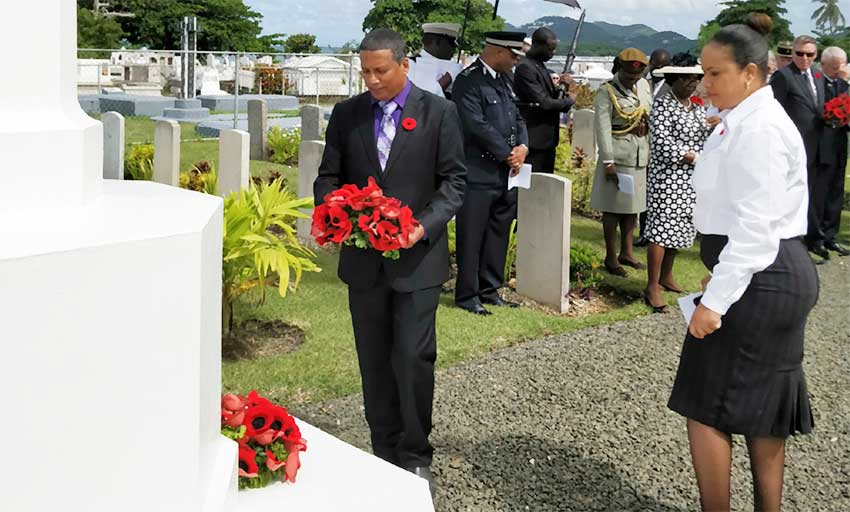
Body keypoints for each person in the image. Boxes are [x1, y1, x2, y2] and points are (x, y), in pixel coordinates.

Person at [668, 14, 818, 512]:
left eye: (715, 74)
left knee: (704, 405)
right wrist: (723, 271)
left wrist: (717, 299)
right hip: (763, 272)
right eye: (704, 73)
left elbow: (756, 226)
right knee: (762, 412)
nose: (705, 83)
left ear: (751, 73)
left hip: (763, 274)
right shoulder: (746, 121)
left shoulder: (759, 129)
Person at [313, 28, 466, 496]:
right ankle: (383, 451)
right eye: (365, 72)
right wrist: (337, 214)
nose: (372, 81)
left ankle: (416, 454)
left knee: (413, 357)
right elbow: (327, 178)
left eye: (380, 71)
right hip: (364, 264)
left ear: (403, 65)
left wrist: (421, 225)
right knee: (374, 360)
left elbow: (455, 183)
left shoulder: (439, 111)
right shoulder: (347, 114)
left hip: (416, 261)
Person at [452, 31, 528, 315]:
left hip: (505, 173)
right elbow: (475, 123)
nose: (515, 61)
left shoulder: (504, 80)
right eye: (513, 56)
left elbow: (518, 116)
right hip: (478, 171)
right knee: (471, 236)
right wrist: (507, 153)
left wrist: (523, 146)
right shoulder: (468, 81)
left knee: (498, 233)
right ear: (498, 52)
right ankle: (467, 295)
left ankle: (489, 289)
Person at [643, 54, 711, 312]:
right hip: (668, 177)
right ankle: (651, 286)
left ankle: (666, 275)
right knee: (661, 230)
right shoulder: (662, 105)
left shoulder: (696, 107)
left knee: (681, 227)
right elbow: (661, 142)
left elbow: (707, 134)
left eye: (697, 79)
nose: (694, 84)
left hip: (692, 180)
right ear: (675, 79)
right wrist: (693, 156)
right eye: (689, 79)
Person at [590, 47, 652, 276]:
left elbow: (648, 119)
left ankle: (627, 252)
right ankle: (610, 256)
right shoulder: (607, 91)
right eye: (628, 75)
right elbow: (603, 128)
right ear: (620, 69)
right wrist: (608, 161)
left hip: (639, 156)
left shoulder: (645, 86)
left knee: (632, 209)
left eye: (637, 75)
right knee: (613, 209)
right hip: (618, 157)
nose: (632, 80)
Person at [770, 35, 829, 260]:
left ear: (816, 56)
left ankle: (812, 239)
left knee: (813, 194)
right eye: (800, 54)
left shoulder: (817, 75)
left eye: (810, 54)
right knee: (793, 196)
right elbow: (775, 111)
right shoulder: (783, 76)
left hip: (818, 145)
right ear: (792, 54)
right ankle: (793, 246)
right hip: (793, 147)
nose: (804, 58)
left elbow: (819, 106)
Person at [513, 27, 575, 173]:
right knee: (532, 188)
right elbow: (544, 102)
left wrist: (562, 87)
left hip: (546, 141)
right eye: (549, 49)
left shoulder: (539, 66)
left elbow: (551, 98)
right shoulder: (525, 68)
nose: (553, 53)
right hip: (534, 141)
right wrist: (569, 101)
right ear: (537, 45)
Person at [634, 48, 672, 247]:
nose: (656, 69)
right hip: (644, 145)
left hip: (661, 148)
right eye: (654, 65)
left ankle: (656, 233)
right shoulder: (644, 83)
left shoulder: (672, 87)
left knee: (658, 193)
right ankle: (644, 232)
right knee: (645, 191)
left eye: (660, 65)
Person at [816, 46, 850, 256]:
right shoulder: (818, 83)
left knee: (836, 191)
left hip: (839, 143)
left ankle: (831, 235)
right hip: (821, 143)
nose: (838, 70)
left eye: (841, 67)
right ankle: (816, 236)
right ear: (825, 64)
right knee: (820, 191)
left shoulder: (843, 85)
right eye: (835, 67)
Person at [407, 23, 464, 99]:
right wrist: (449, 76)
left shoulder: (451, 66)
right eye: (451, 44)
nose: (454, 49)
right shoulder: (410, 65)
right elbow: (422, 98)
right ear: (437, 42)